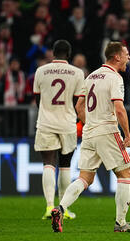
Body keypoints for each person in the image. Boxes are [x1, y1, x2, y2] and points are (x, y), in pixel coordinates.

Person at [50, 42, 130, 233]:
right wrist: (127, 135)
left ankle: (60, 208)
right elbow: (119, 108)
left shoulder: (91, 76)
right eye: (126, 54)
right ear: (116, 57)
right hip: (108, 130)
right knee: (125, 175)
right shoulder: (115, 78)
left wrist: (89, 124)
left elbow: (79, 106)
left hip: (89, 132)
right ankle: (121, 223)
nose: (128, 58)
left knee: (85, 178)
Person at [33, 40, 84, 220]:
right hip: (68, 123)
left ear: (53, 53)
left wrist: (47, 112)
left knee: (48, 163)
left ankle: (48, 207)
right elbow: (79, 103)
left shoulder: (40, 71)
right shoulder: (77, 73)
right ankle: (62, 209)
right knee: (65, 165)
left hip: (46, 122)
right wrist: (73, 117)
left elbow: (38, 100)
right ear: (68, 54)